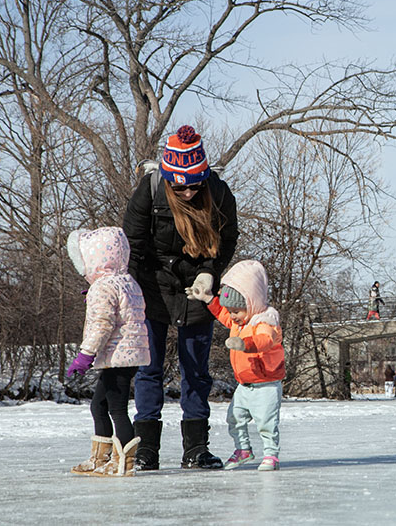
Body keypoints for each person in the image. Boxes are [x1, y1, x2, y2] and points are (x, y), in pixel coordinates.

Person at [123, 125, 239, 470]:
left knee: (195, 369)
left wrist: (210, 271)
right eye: (180, 185)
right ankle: (145, 450)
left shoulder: (217, 192)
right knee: (149, 368)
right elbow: (132, 242)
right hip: (153, 285)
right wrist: (127, 288)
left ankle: (196, 448)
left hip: (197, 289)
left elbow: (228, 237)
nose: (187, 191)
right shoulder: (151, 188)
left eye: (193, 184)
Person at [65, 227, 150, 477]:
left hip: (116, 357)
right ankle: (100, 458)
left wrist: (85, 354)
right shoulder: (127, 281)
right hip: (128, 355)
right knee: (98, 405)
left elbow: (102, 325)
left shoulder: (103, 287)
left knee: (116, 408)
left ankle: (123, 460)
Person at [190, 259, 284, 471]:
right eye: (230, 311)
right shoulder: (238, 319)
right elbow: (223, 314)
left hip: (266, 384)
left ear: (251, 303)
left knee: (266, 423)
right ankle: (243, 450)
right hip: (244, 384)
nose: (232, 316)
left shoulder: (265, 321)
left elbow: (264, 341)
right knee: (234, 418)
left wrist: (244, 344)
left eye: (237, 311)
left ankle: (271, 455)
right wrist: (207, 298)